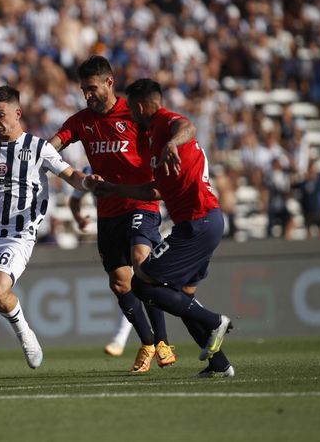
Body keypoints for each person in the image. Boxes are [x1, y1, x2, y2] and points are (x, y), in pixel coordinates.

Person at [0, 85, 93, 384]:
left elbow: (70, 174)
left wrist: (89, 183)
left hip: (17, 235)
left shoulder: (39, 148)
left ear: (17, 113)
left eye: (1, 115)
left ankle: (25, 333)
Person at [90, 78, 234, 378]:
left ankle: (213, 321)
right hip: (199, 223)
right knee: (181, 296)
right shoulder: (152, 138)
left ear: (141, 107)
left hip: (199, 222)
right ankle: (219, 364)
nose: (129, 114)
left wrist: (172, 142)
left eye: (130, 108)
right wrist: (115, 189)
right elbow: (155, 191)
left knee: (143, 283)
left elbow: (188, 128)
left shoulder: (165, 124)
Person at [48, 56, 175, 373]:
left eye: (92, 88)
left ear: (109, 82)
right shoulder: (81, 121)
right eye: (83, 89)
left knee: (141, 263)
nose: (87, 95)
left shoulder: (133, 114)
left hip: (139, 202)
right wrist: (37, 155)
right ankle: (146, 343)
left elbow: (164, 130)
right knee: (120, 284)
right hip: (108, 210)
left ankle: (163, 341)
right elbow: (53, 145)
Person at [68, 166, 132, 357]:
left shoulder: (128, 156)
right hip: (111, 226)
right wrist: (79, 219)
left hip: (139, 220)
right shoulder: (90, 169)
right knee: (126, 284)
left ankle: (124, 339)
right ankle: (141, 340)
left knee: (146, 283)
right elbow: (74, 199)